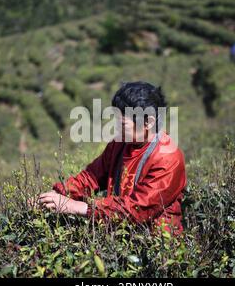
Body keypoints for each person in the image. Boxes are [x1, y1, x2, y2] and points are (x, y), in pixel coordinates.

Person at [32, 81, 187, 237]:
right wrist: (50, 198)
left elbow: (137, 209)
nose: (117, 128)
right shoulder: (119, 144)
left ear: (148, 123)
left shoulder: (168, 158)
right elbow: (90, 177)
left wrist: (76, 206)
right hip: (121, 237)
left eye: (123, 123)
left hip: (158, 248)